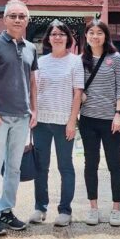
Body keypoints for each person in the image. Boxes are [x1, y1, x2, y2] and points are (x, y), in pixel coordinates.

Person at [0, 0, 38, 236]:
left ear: (27, 20)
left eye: (21, 16)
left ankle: (6, 209)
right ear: (5, 19)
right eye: (12, 16)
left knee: (14, 168)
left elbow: (32, 81)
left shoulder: (31, 48)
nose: (17, 20)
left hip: (22, 116)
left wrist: (34, 109)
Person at [29, 20, 84, 227]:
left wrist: (72, 121)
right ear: (48, 39)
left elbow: (77, 93)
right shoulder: (41, 62)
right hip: (41, 121)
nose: (57, 37)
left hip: (63, 122)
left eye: (61, 34)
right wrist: (33, 113)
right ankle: (40, 207)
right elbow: (34, 90)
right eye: (53, 34)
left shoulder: (75, 61)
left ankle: (65, 210)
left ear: (68, 38)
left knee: (65, 166)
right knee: (41, 166)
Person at [79, 18, 120, 226]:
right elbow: (76, 85)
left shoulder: (115, 58)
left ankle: (116, 208)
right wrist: (79, 95)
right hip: (88, 119)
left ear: (105, 36)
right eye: (91, 33)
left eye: (99, 33)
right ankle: (93, 208)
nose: (95, 36)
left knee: (114, 162)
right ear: (86, 36)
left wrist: (119, 114)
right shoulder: (80, 59)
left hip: (110, 120)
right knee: (91, 163)